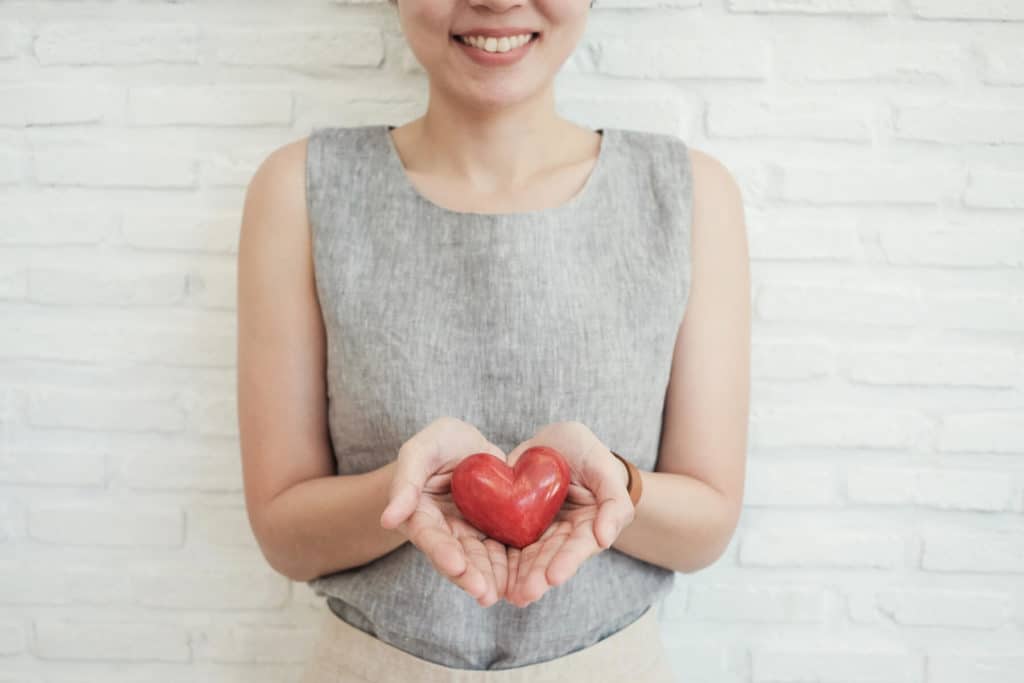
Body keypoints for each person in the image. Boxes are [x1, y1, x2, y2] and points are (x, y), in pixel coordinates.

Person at [235, 0, 751, 680]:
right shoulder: (299, 190)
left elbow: (708, 521)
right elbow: (285, 536)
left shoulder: (690, 194)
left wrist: (611, 484)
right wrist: (407, 494)